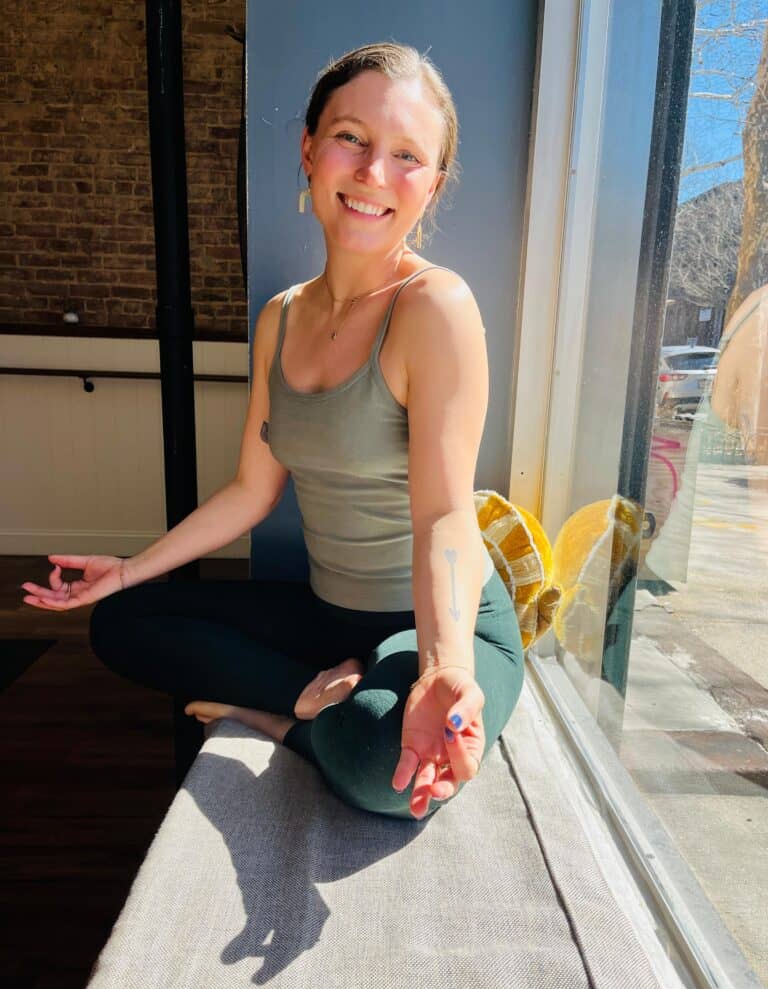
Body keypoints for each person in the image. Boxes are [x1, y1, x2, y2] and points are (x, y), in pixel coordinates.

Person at [20, 42, 524, 821]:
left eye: (407, 156)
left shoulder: (436, 309)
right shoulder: (283, 315)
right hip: (328, 615)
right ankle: (305, 697)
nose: (372, 173)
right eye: (351, 138)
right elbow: (253, 490)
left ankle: (287, 723)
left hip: (440, 623)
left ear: (432, 185)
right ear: (309, 150)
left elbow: (444, 515)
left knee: (379, 764)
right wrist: (127, 570)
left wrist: (443, 664)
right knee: (121, 621)